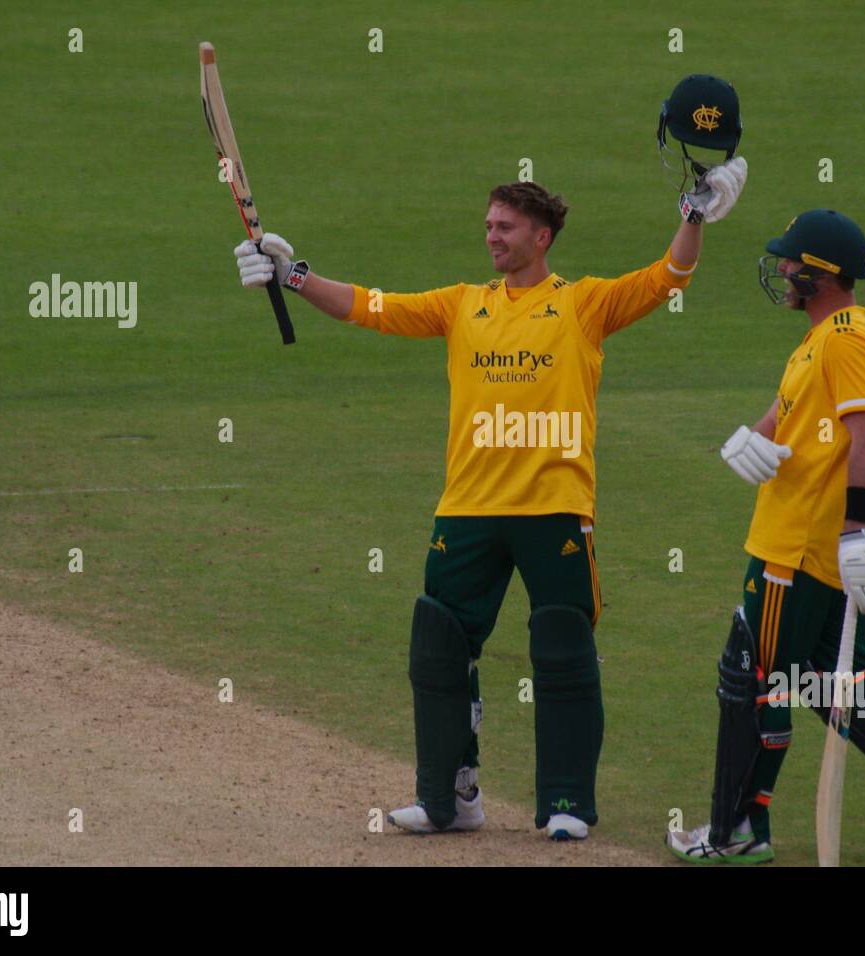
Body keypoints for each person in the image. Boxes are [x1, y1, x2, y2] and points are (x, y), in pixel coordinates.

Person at [232, 165, 747, 840]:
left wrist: (696, 214)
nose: (492, 238)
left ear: (541, 236)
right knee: (440, 647)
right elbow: (369, 307)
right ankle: (451, 797)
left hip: (554, 509)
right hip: (467, 509)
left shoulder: (584, 304)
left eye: (504, 228)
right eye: (488, 227)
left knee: (563, 649)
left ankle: (566, 804)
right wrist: (293, 275)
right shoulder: (459, 305)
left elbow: (667, 276)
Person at [667, 209, 865, 865]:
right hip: (811, 545)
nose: (782, 270)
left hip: (798, 551)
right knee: (837, 682)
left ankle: (737, 831)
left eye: (791, 262)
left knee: (758, 679)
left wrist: (852, 533)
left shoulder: (846, 339)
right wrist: (755, 438)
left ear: (819, 274)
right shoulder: (824, 338)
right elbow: (794, 411)